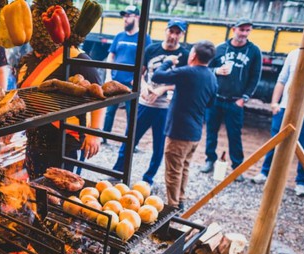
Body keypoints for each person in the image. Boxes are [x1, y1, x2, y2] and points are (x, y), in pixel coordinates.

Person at [17, 10, 104, 179]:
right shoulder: (28, 60)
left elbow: (99, 94)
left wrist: (95, 133)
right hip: (34, 137)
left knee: (58, 190)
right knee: (36, 186)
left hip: (64, 140)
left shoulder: (77, 58)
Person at [113, 19, 189, 181]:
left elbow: (185, 82)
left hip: (166, 108)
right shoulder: (152, 49)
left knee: (159, 146)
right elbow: (139, 73)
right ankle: (117, 172)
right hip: (145, 103)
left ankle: (148, 178)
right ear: (166, 30)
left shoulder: (184, 55)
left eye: (177, 33)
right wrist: (145, 86)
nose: (173, 36)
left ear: (182, 35)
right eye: (171, 31)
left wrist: (164, 88)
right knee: (130, 138)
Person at [151, 41, 218, 209]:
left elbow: (157, 76)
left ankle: (173, 207)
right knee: (184, 167)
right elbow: (210, 103)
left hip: (179, 131)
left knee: (173, 170)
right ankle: (180, 199)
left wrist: (169, 61)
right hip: (195, 132)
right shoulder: (212, 77)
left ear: (193, 55)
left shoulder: (187, 72)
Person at [201, 18, 262, 181]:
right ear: (234, 29)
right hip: (216, 99)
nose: (244, 33)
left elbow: (255, 77)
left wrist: (244, 99)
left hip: (235, 101)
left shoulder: (254, 51)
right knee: (211, 132)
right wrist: (217, 71)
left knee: (235, 135)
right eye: (241, 30)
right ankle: (209, 160)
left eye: (247, 30)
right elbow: (205, 68)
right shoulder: (221, 48)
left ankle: (237, 168)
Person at [251, 48, 304, 197]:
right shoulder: (294, 54)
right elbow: (282, 80)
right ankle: (265, 172)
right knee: (275, 142)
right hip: (285, 108)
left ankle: (301, 182)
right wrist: (275, 102)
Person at [103, 5, 151, 140]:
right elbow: (111, 55)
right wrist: (108, 75)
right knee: (109, 111)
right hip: (115, 82)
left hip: (131, 84)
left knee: (131, 115)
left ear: (137, 17)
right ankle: (104, 137)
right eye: (124, 16)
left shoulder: (144, 38)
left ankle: (128, 141)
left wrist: (138, 78)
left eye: (128, 16)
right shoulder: (119, 36)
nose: (125, 19)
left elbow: (146, 62)